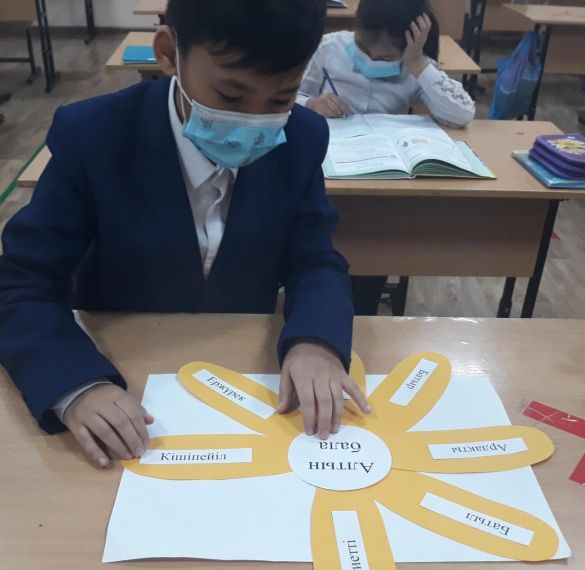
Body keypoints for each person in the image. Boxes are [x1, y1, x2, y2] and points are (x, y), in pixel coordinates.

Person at [0, 0, 370, 469]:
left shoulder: (300, 138)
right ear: (169, 53)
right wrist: (76, 385)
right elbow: (22, 281)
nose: (254, 120)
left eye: (280, 99)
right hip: (125, 377)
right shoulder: (95, 136)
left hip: (243, 385)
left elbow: (314, 259)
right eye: (231, 96)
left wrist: (316, 341)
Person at [297, 0, 476, 315]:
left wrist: (417, 63)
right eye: (364, 50)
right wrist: (311, 103)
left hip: (384, 181)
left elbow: (461, 113)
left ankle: (363, 305)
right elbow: (286, 95)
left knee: (373, 249)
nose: (373, 60)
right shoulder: (329, 49)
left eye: (386, 58)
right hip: (329, 174)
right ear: (356, 29)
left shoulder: (414, 65)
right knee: (322, 246)